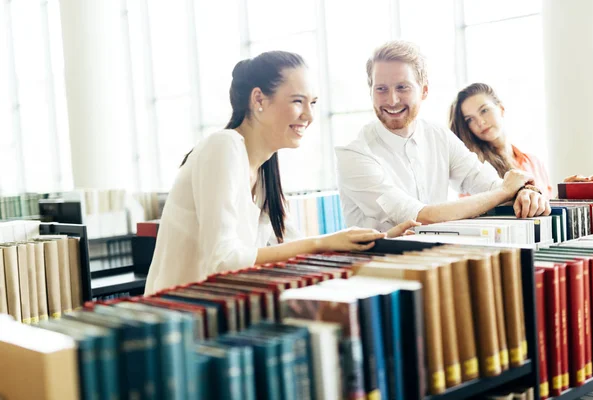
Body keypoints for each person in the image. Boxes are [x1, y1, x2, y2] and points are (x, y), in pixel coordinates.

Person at [144, 51, 417, 295]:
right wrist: (321, 242)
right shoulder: (223, 147)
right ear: (259, 99)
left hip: (214, 313)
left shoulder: (265, 170)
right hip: (174, 321)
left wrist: (383, 241)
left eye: (313, 103)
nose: (308, 116)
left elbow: (295, 245)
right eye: (298, 101)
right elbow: (224, 260)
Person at [335, 40, 551, 232]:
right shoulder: (354, 154)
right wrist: (506, 190)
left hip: (436, 261)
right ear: (370, 91)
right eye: (381, 89)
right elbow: (420, 217)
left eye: (403, 87)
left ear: (424, 90)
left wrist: (525, 192)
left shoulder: (438, 136)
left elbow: (482, 181)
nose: (392, 100)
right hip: (379, 269)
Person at [449, 82, 552, 198]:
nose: (480, 122)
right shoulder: (475, 172)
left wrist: (570, 192)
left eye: (484, 111)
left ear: (501, 109)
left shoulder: (534, 162)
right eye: (470, 120)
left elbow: (548, 206)